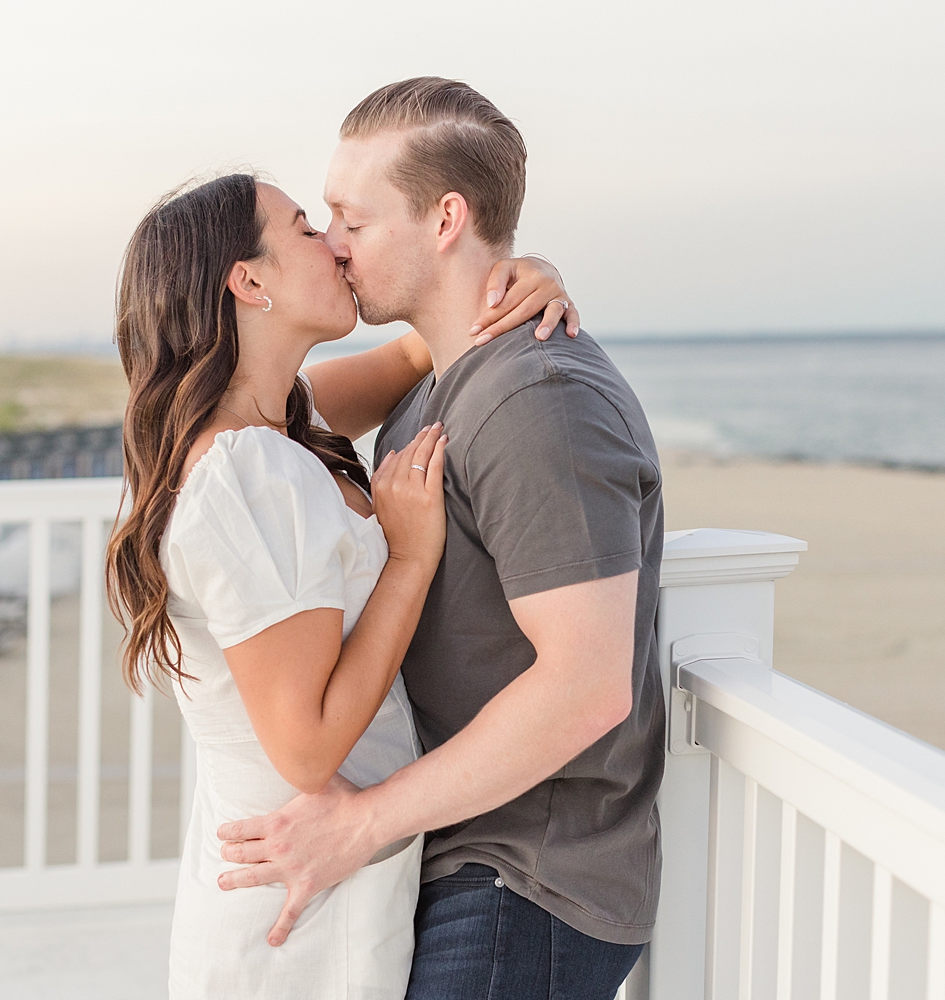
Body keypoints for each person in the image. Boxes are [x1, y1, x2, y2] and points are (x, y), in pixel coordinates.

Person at [216, 78, 667, 1000]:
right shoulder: (436, 384)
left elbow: (586, 687)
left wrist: (360, 824)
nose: (334, 244)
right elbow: (248, 419)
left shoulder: (541, 399)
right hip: (454, 851)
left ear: (446, 218)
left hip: (527, 878)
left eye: (352, 218)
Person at [104, 172, 579, 999]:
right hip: (298, 900)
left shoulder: (273, 423)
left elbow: (418, 348)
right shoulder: (246, 468)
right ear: (249, 281)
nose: (334, 244)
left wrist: (519, 277)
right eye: (302, 230)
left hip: (319, 872)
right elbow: (308, 744)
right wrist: (407, 558)